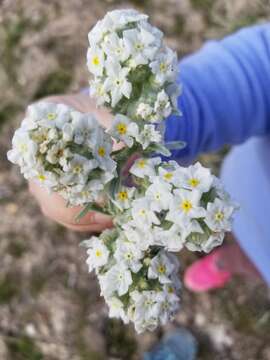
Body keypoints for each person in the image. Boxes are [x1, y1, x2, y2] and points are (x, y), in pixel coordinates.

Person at [29, 23, 270, 296]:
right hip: (241, 192)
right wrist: (112, 123)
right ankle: (232, 258)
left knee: (256, 259)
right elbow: (253, 71)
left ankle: (243, 261)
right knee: (238, 239)